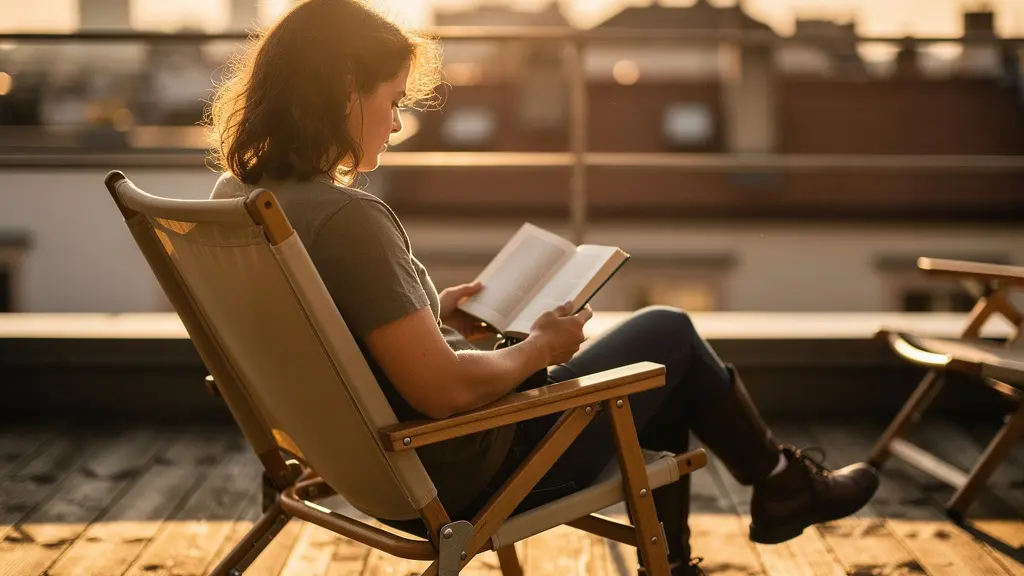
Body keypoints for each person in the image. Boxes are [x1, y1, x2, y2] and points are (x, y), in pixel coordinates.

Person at [205, 1, 879, 574]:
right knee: (668, 334)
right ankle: (780, 488)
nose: (397, 124)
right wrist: (540, 347)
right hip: (477, 472)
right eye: (393, 102)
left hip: (367, 469)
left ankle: (754, 506)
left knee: (656, 372)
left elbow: (324, 337)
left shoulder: (240, 197)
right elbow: (444, 391)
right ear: (345, 90)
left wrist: (426, 315)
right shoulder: (350, 218)